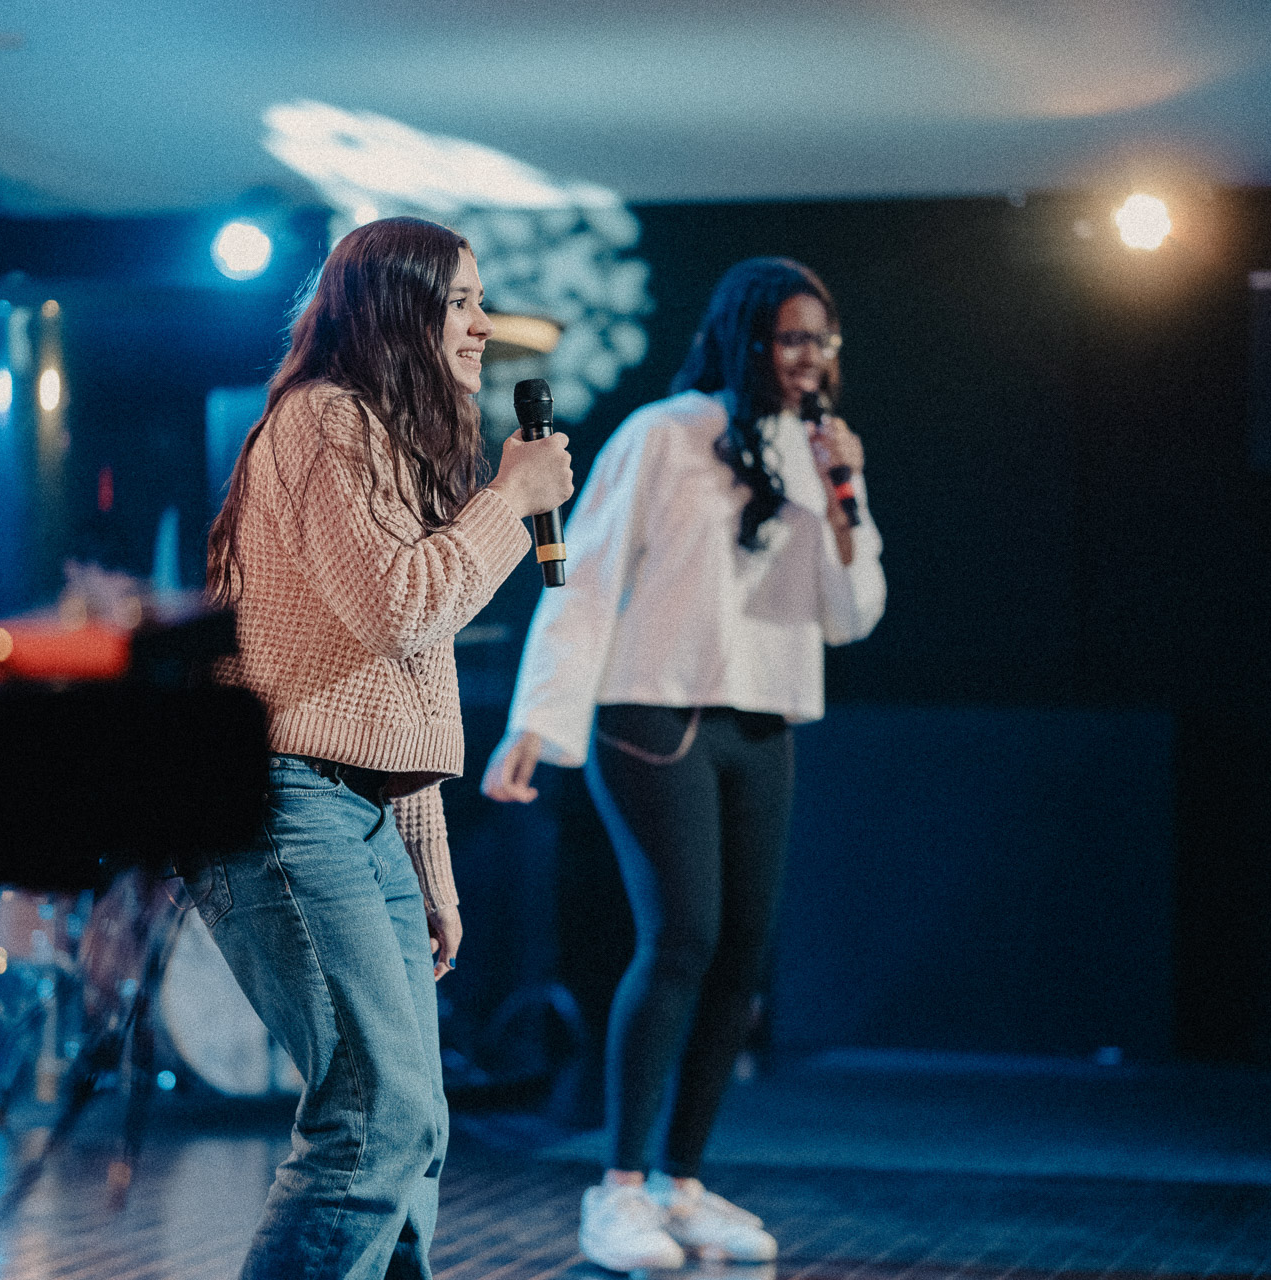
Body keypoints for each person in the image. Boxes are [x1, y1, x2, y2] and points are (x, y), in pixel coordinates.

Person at [481, 257, 885, 1272]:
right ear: (748, 337)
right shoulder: (663, 434)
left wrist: (847, 500)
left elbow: (853, 615)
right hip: (652, 712)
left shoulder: (817, 451)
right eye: (793, 337)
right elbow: (583, 576)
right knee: (683, 936)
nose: (811, 359)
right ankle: (616, 1191)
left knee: (744, 949)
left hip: (763, 717)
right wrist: (538, 718)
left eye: (823, 341)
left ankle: (684, 1181)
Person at [199, 215, 574, 1280]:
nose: (482, 324)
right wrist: (510, 500)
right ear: (392, 308)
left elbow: (399, 683)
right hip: (282, 799)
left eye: (479, 300)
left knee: (416, 1131)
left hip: (354, 806)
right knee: (376, 1118)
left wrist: (431, 869)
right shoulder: (323, 422)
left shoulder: (387, 440)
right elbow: (406, 608)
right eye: (459, 301)